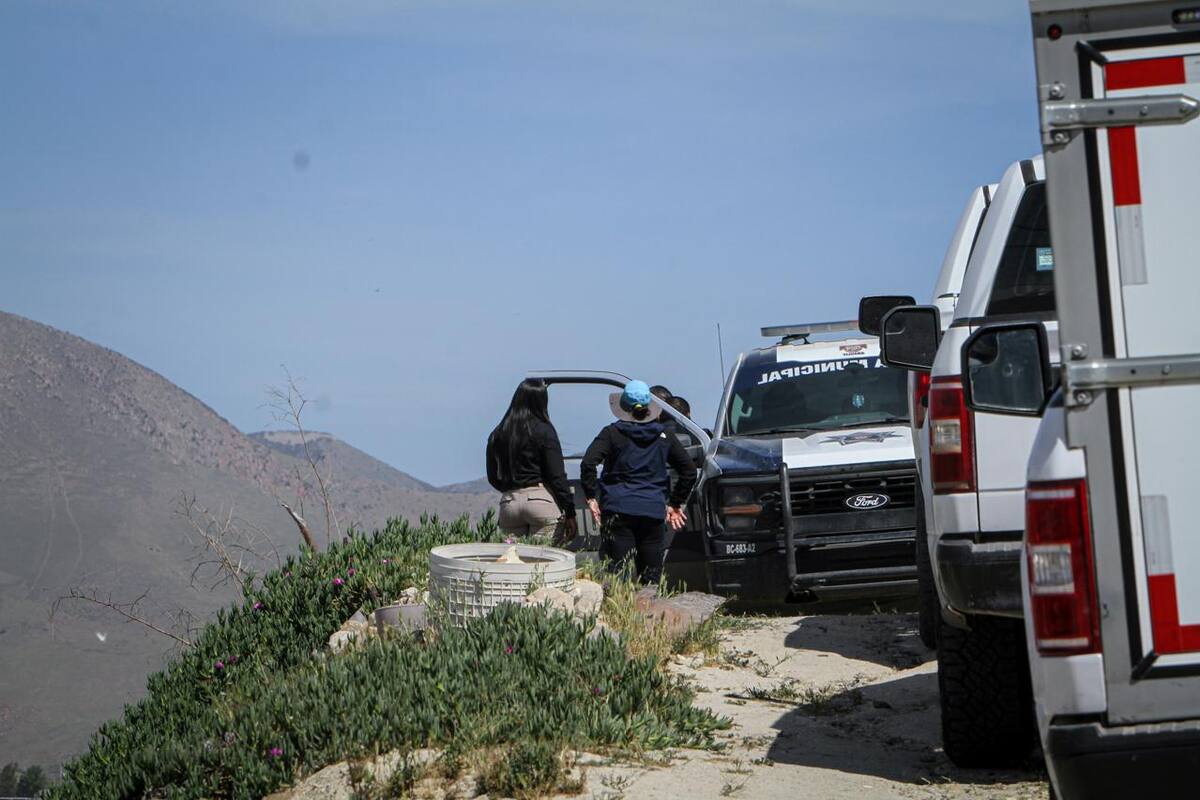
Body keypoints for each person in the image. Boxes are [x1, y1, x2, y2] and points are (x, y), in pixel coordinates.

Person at [580, 380, 697, 584]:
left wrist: (591, 497)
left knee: (617, 575)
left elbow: (588, 463)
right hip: (652, 511)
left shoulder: (611, 433)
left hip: (617, 509)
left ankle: (621, 614)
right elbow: (688, 471)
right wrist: (675, 504)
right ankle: (648, 613)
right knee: (650, 577)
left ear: (623, 407)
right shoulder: (664, 435)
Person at [486, 379, 577, 543]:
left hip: (510, 504)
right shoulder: (544, 430)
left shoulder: (498, 433)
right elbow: (557, 476)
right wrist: (570, 511)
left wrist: (509, 490)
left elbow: (493, 476)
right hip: (540, 500)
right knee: (544, 562)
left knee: (512, 562)